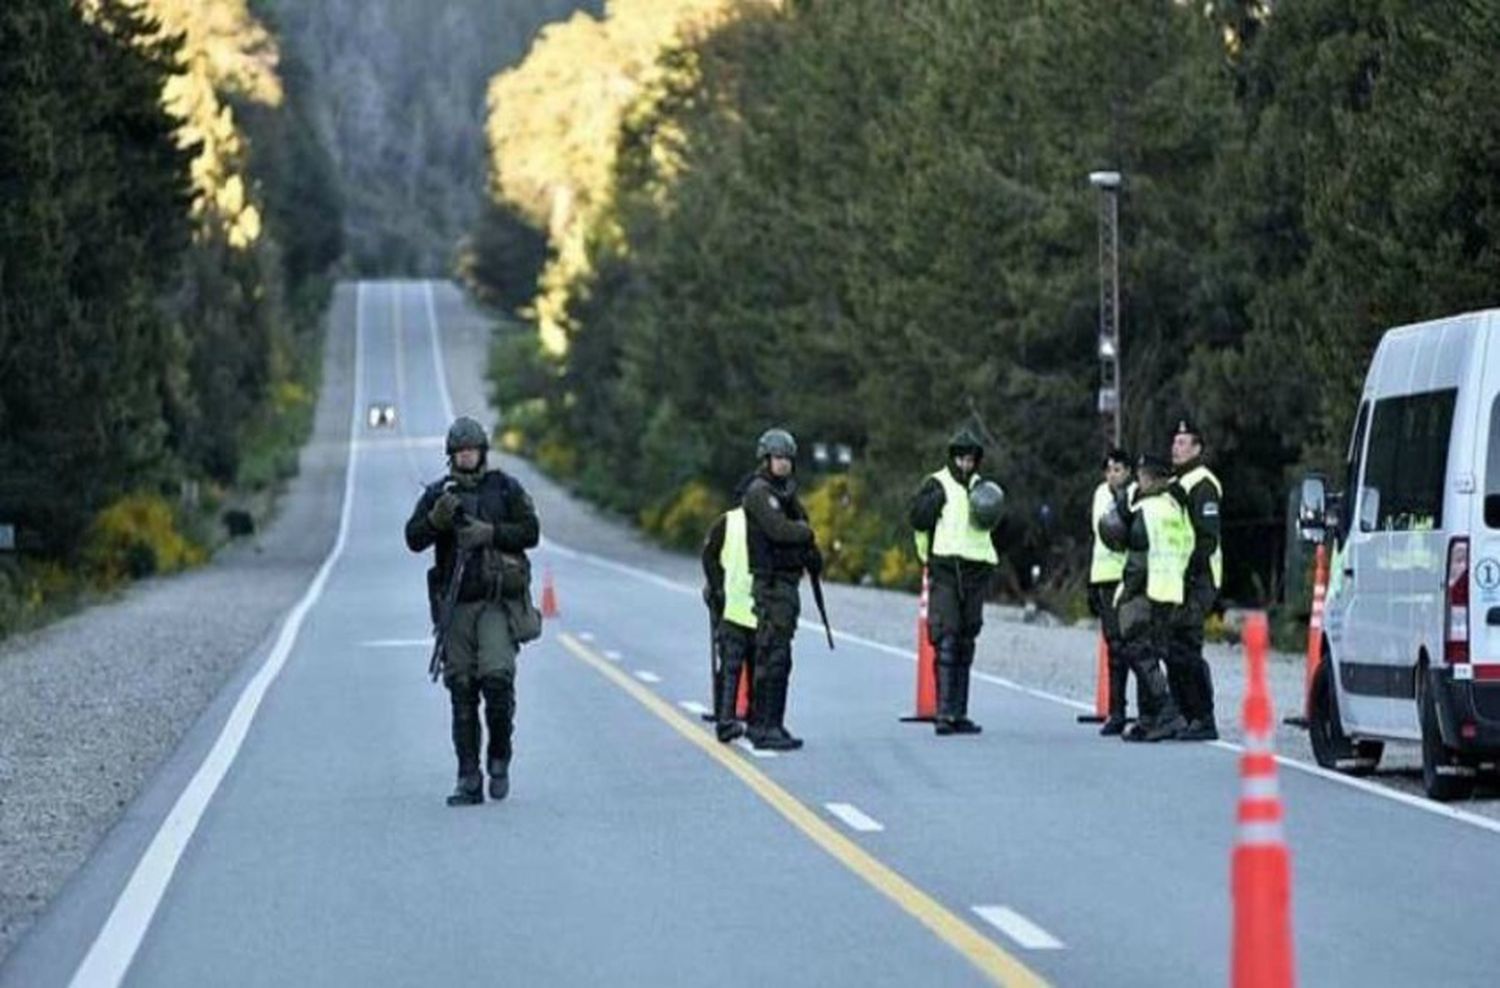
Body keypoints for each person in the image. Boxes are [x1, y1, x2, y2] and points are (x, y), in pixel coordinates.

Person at [405, 416, 540, 805]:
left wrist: (492, 533)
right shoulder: (438, 494)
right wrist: (436, 520)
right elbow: (413, 539)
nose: (466, 456)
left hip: (497, 602)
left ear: (482, 452)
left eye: (472, 450)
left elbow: (531, 531)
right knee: (462, 690)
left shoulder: (505, 489)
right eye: (460, 452)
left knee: (497, 681)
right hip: (456, 605)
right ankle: (468, 777)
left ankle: (499, 756)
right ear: (452, 456)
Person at [909, 426, 1006, 736]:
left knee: (966, 640)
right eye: (961, 459)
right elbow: (918, 523)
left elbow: (996, 526)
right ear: (952, 458)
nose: (966, 465)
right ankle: (944, 712)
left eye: (971, 459)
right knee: (947, 638)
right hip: (946, 568)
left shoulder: (984, 489)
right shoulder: (936, 484)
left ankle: (960, 711)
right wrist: (928, 559)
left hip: (976, 568)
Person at [739, 428, 821, 751]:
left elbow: (800, 527)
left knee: (781, 657)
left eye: (787, 458)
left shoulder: (785, 492)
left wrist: (809, 550)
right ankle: (762, 725)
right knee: (771, 654)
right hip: (770, 583)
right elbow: (779, 530)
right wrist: (803, 533)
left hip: (786, 583)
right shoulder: (760, 492)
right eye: (778, 458)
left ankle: (774, 722)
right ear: (766, 459)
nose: (784, 464)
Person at [1112, 453, 1191, 743]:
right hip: (1170, 588)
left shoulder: (1147, 510)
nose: (1139, 482)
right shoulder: (1174, 508)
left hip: (1147, 587)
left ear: (1152, 479)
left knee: (1137, 649)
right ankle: (1150, 719)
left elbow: (1137, 560)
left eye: (1142, 477)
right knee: (1152, 651)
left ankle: (1167, 712)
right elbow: (1187, 545)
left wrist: (1127, 592)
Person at [1169, 418, 1222, 741]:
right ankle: (1184, 714)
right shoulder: (1179, 483)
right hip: (1178, 579)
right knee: (1174, 646)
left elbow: (1206, 538)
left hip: (1199, 578)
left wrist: (1190, 575)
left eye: (1183, 442)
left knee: (1187, 646)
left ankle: (1203, 716)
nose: (1176, 447)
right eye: (1175, 441)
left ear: (1198, 448)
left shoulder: (1202, 483)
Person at [701, 487, 757, 743]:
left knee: (736, 666)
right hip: (738, 607)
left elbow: (708, 556)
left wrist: (715, 587)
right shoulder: (730, 522)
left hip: (746, 606)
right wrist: (716, 587)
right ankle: (729, 719)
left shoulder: (767, 525)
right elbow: (710, 556)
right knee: (738, 666)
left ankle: (734, 718)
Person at [1090, 448, 1133, 735]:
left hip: (1127, 577)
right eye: (1109, 469)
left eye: (1118, 469)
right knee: (1113, 645)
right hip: (1104, 575)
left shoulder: (1135, 495)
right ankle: (1115, 711)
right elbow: (1100, 532)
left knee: (1129, 644)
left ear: (1128, 472)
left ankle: (1128, 710)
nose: (1113, 474)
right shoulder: (1100, 494)